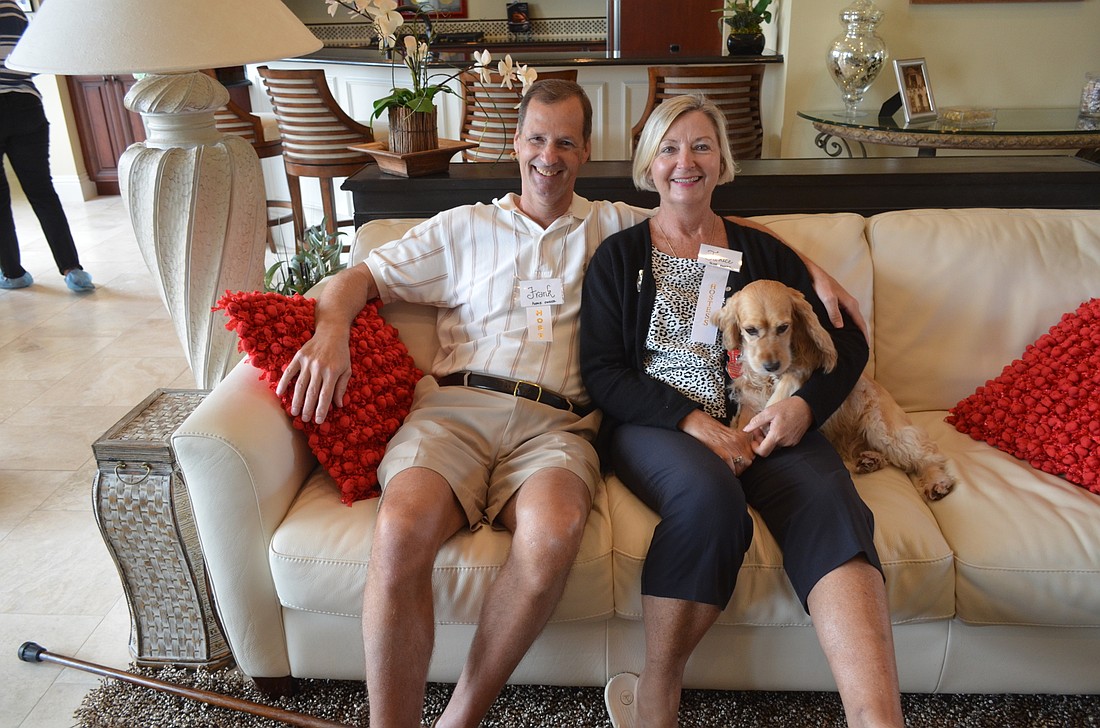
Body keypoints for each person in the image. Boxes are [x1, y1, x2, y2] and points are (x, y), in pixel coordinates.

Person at [277, 80, 863, 728]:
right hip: (456, 410)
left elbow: (697, 213)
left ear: (585, 150)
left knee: (554, 532)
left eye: (564, 142)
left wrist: (809, 270)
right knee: (400, 530)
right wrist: (330, 332)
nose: (548, 156)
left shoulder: (613, 226)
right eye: (536, 139)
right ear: (515, 144)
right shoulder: (463, 227)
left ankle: (458, 721)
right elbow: (356, 276)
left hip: (558, 426)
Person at [579, 94, 904, 728]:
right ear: (649, 165)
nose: (686, 162)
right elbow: (603, 373)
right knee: (709, 499)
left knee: (830, 500)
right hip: (660, 427)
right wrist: (694, 422)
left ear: (722, 161)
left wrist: (805, 408)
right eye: (669, 148)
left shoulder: (761, 252)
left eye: (702, 146)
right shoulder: (618, 258)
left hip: (767, 419)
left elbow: (848, 344)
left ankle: (878, 718)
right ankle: (658, 693)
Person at [0, 0, 94, 292]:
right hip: (26, 106)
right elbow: (33, 62)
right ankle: (72, 270)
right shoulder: (12, 9)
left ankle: (13, 274)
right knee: (43, 192)